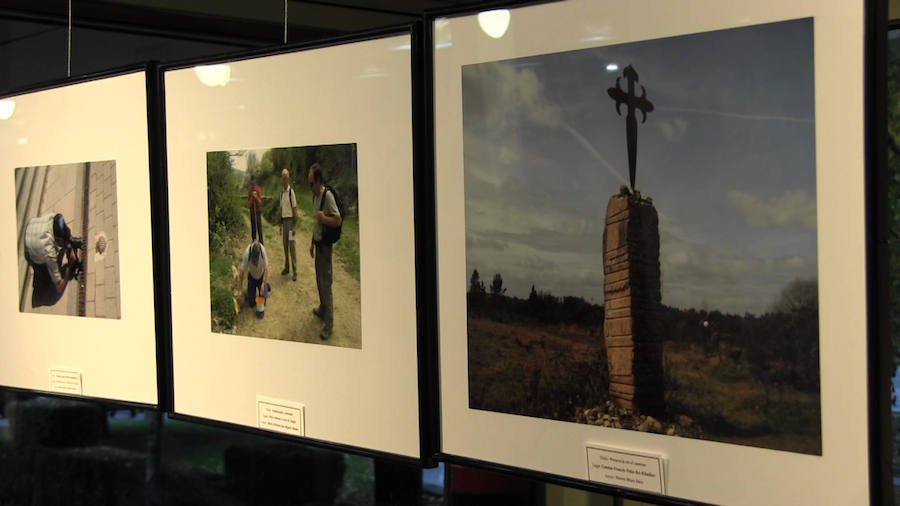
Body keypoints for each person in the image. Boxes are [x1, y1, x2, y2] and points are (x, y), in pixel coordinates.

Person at [308, 163, 342, 340]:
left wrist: (324, 218)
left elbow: (337, 220)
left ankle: (329, 325)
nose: (310, 186)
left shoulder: (327, 196)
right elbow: (316, 222)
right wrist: (312, 242)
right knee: (319, 281)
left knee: (326, 284)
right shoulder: (315, 196)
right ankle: (322, 309)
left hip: (326, 248)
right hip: (318, 245)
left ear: (319, 180)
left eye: (311, 183)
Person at [23, 213, 79, 296]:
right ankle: (41, 274)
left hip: (31, 227)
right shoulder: (49, 252)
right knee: (48, 278)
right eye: (63, 242)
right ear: (58, 240)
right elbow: (59, 288)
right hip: (29, 251)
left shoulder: (53, 218)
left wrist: (69, 244)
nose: (65, 244)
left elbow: (62, 229)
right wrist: (69, 268)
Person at [239, 240, 270, 314]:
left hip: (261, 276)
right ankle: (250, 292)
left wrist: (263, 283)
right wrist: (240, 289)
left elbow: (266, 269)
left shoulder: (262, 251)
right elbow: (242, 271)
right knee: (251, 304)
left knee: (263, 301)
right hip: (252, 277)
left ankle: (266, 286)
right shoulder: (247, 253)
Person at [279, 168, 299, 281]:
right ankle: (287, 268)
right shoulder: (281, 193)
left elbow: (295, 210)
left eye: (286, 178)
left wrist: (294, 226)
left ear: (288, 178)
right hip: (284, 222)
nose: (284, 180)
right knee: (285, 247)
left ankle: (295, 271)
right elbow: (281, 209)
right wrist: (280, 225)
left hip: (291, 222)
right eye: (283, 178)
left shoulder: (291, 193)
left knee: (292, 247)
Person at [247, 177, 264, 245]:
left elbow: (260, 203)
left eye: (254, 180)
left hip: (258, 211)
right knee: (253, 229)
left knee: (259, 228)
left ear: (255, 181)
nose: (253, 182)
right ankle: (254, 243)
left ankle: (261, 243)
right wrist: (252, 197)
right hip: (252, 212)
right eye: (252, 181)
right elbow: (249, 204)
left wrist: (256, 197)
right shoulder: (249, 189)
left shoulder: (258, 189)